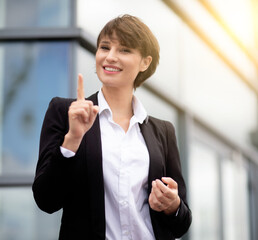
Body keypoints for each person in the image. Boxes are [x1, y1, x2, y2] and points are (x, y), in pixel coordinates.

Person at [32, 14, 192, 240]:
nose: (110, 57)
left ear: (145, 62)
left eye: (124, 50)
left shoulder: (163, 131)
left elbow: (181, 224)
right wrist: (73, 140)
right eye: (104, 47)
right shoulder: (65, 112)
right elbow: (46, 200)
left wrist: (172, 205)